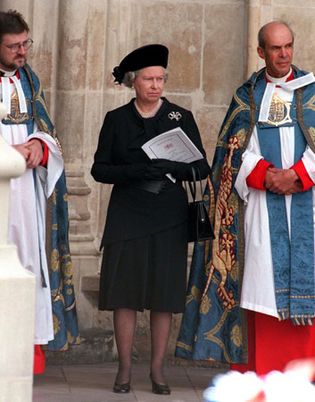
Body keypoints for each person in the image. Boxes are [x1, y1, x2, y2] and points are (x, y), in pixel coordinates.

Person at [175, 21, 315, 376]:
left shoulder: (312, 92)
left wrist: (298, 175)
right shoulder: (247, 97)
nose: (283, 54)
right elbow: (233, 153)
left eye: (288, 47)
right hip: (261, 211)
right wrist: (267, 175)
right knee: (261, 285)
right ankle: (263, 371)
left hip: (307, 204)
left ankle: (305, 373)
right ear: (261, 52)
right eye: (275, 48)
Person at [91, 44, 210, 394]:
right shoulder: (117, 119)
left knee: (164, 295)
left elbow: (201, 167)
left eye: (160, 78)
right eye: (149, 79)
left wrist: (175, 166)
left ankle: (158, 369)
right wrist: (135, 170)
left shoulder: (180, 116)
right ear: (133, 81)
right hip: (128, 213)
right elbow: (99, 168)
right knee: (124, 293)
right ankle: (125, 368)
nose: (156, 85)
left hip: (169, 215)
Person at [0, 10, 79, 373]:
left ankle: (24, 358)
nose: (22, 52)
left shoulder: (30, 81)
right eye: (13, 46)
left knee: (28, 262)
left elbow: (46, 128)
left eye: (25, 44)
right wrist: (7, 152)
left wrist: (37, 146)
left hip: (27, 193)